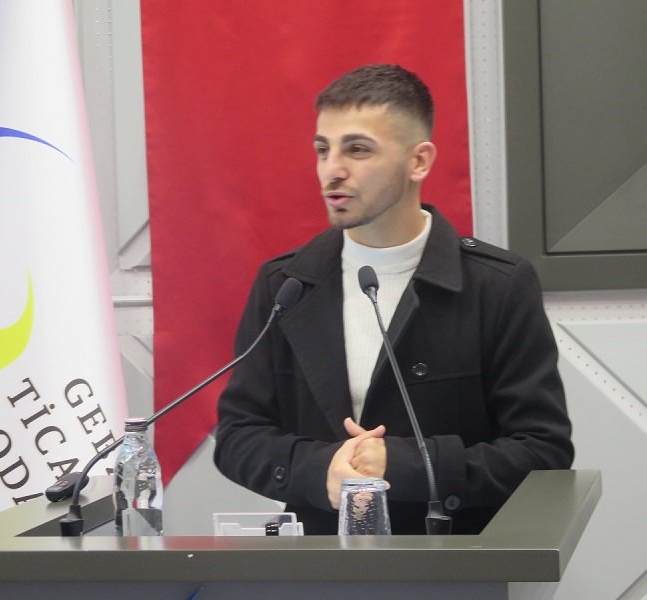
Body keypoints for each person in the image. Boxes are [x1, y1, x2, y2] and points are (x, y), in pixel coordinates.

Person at [214, 64, 573, 534]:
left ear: (418, 161)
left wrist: (406, 466)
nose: (332, 170)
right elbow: (238, 437)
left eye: (358, 149)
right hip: (320, 558)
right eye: (322, 150)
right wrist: (319, 470)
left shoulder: (497, 286)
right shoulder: (285, 285)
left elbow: (543, 450)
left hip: (456, 558)